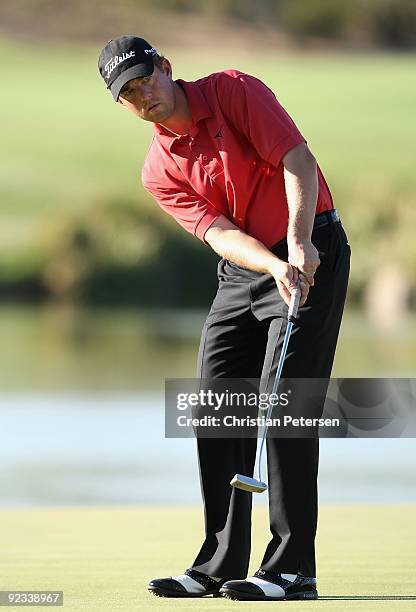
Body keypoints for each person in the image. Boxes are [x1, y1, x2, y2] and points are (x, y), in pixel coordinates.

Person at [98, 36, 350, 601]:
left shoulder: (233, 91)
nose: (144, 96)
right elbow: (218, 233)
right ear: (121, 104)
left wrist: (299, 245)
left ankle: (292, 569)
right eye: (129, 93)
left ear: (166, 67)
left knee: (284, 401)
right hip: (247, 269)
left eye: (146, 79)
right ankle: (219, 562)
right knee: (216, 399)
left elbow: (298, 161)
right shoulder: (158, 168)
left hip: (312, 245)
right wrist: (269, 264)